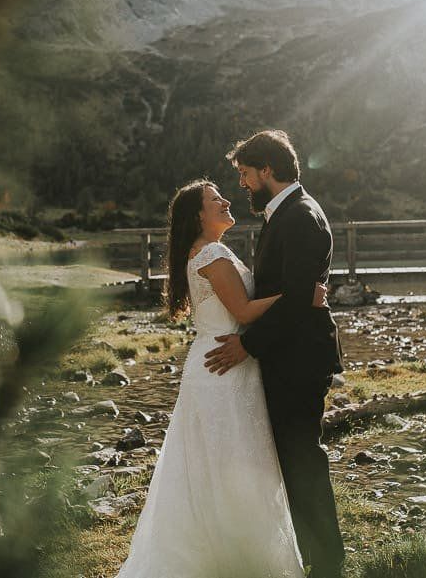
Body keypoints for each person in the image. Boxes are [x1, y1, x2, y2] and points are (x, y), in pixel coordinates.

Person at [116, 178, 327, 578]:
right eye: (216, 199)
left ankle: (226, 550)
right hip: (223, 367)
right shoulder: (210, 253)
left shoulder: (209, 251)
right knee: (230, 460)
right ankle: (232, 556)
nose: (227, 200)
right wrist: (302, 295)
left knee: (219, 460)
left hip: (222, 362)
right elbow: (245, 312)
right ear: (198, 215)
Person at [205, 130, 346, 578]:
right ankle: (315, 556)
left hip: (299, 359)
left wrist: (247, 345)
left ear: (267, 169)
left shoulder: (301, 216)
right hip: (288, 356)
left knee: (303, 459)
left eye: (246, 174)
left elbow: (297, 297)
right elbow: (294, 293)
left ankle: (327, 563)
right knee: (293, 458)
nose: (242, 183)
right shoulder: (285, 214)